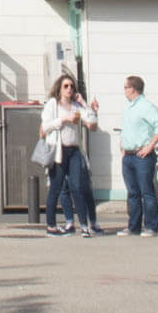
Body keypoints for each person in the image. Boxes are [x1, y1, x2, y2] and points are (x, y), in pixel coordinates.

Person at [39, 73, 97, 237]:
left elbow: (92, 123)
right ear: (59, 88)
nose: (69, 89)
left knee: (77, 187)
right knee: (56, 189)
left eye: (71, 86)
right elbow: (45, 127)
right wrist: (63, 120)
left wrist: (84, 104)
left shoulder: (76, 107)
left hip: (74, 150)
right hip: (58, 151)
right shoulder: (53, 104)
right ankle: (51, 225)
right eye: (66, 86)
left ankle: (84, 225)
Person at [117, 74, 158, 237]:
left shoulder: (146, 106)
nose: (124, 91)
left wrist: (150, 146)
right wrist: (123, 146)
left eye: (125, 87)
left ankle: (151, 226)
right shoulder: (130, 107)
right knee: (132, 192)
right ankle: (134, 226)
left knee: (147, 191)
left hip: (142, 156)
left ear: (132, 89)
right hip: (129, 155)